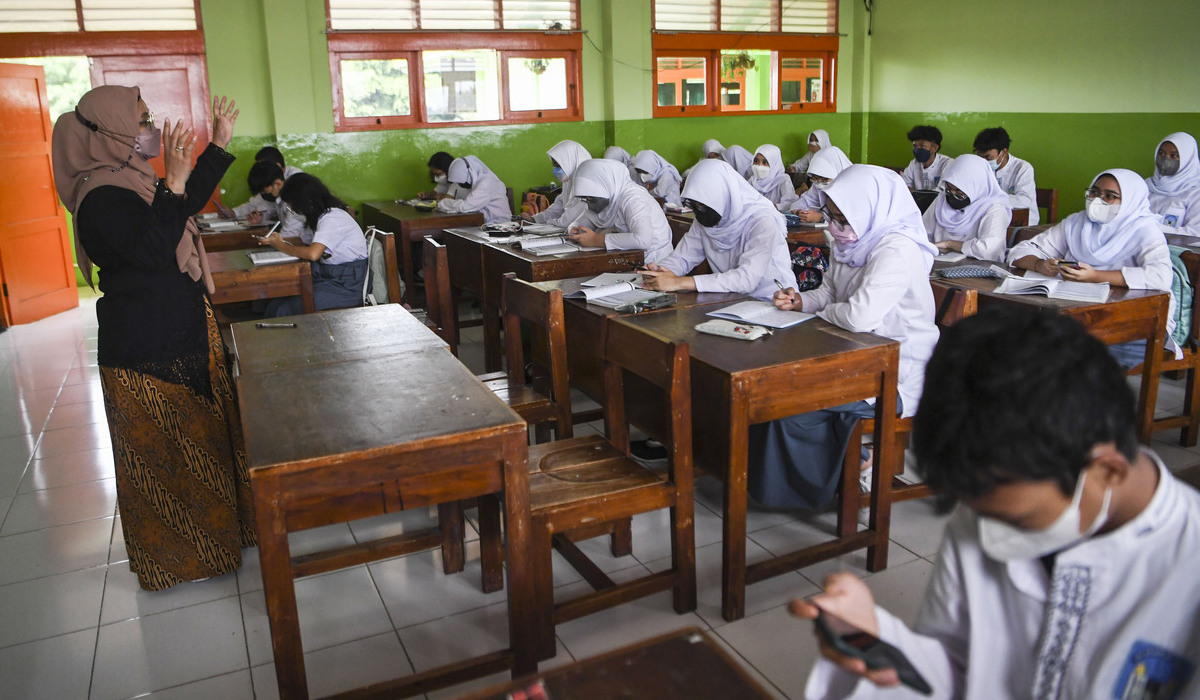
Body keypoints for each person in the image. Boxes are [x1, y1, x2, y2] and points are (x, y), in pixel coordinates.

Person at [794, 305, 1200, 700]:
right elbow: (957, 667)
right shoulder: (988, 509)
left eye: (1018, 520)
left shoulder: (1187, 567)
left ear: (1107, 472)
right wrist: (879, 638)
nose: (990, 535)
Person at [50, 86, 255, 591]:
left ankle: (221, 538)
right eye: (141, 121)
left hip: (178, 325)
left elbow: (176, 212)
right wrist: (175, 184)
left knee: (203, 436)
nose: (151, 129)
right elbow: (149, 249)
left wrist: (217, 148)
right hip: (146, 345)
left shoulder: (133, 178)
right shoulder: (99, 197)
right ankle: (177, 560)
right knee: (166, 454)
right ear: (109, 134)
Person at [755, 165, 939, 508]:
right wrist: (799, 302)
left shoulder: (896, 250)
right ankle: (841, 465)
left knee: (793, 403)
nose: (836, 227)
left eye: (844, 218)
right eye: (833, 217)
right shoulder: (853, 240)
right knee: (775, 388)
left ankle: (834, 475)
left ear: (870, 210)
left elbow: (857, 315)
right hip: (852, 354)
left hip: (897, 373)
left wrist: (823, 312)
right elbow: (828, 294)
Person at [1007, 169, 1176, 368]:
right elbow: (1021, 251)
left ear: (1130, 200)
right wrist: (1039, 264)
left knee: (1072, 357)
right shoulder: (1077, 222)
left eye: (1110, 196)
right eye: (1094, 192)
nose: (1098, 200)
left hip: (1134, 319)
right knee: (1023, 342)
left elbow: (1160, 276)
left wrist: (1095, 276)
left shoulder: (1144, 230)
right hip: (1078, 312)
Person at [640, 159, 793, 300]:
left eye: (701, 206)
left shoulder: (762, 221)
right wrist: (660, 271)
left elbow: (746, 279)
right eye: (694, 206)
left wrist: (678, 282)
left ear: (722, 195)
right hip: (734, 300)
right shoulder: (706, 217)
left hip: (774, 302)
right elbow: (683, 257)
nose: (698, 211)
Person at [257, 173, 369, 316]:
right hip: (330, 277)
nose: (292, 209)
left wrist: (280, 245)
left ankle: (293, 338)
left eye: (292, 204)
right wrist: (278, 240)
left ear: (304, 201)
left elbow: (313, 253)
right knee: (276, 302)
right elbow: (304, 241)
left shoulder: (332, 218)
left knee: (286, 309)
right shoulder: (319, 216)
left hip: (347, 286)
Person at [565, 159, 674, 264]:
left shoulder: (633, 199)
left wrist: (596, 239)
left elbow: (643, 240)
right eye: (584, 198)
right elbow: (581, 223)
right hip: (628, 258)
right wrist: (573, 230)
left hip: (655, 261)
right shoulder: (609, 197)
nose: (587, 202)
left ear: (606, 187)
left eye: (590, 198)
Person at [921, 154, 1012, 262]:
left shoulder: (994, 209)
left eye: (959, 191)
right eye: (949, 189)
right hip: (938, 264)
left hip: (979, 271)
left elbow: (989, 250)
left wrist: (950, 244)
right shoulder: (941, 201)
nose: (952, 195)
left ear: (977, 187)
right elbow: (921, 233)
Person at [973, 126, 1039, 224]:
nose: (985, 162)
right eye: (981, 158)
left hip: (1022, 224)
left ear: (1004, 152)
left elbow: (1025, 200)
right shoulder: (980, 168)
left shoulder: (1022, 168)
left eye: (988, 157)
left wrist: (991, 199)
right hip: (994, 220)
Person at [522, 139, 590, 227]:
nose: (555, 170)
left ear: (570, 162)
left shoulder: (585, 185)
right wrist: (535, 219)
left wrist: (539, 225)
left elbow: (567, 222)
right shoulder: (569, 181)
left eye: (558, 166)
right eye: (554, 166)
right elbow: (558, 207)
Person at [1145, 131, 1200, 236]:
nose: (1166, 159)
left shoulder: (1195, 193)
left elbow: (1195, 234)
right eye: (1161, 153)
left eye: (1174, 156)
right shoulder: (1145, 186)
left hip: (1178, 251)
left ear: (1187, 160)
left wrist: (1152, 230)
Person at [230, 145, 303, 221]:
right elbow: (266, 204)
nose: (260, 171)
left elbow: (296, 219)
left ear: (277, 165)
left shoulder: (296, 180)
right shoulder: (270, 185)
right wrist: (260, 215)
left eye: (264, 167)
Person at [241, 160, 307, 240]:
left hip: (310, 247)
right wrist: (259, 219)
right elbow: (266, 209)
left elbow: (289, 235)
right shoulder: (277, 196)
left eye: (264, 192)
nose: (263, 195)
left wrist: (271, 241)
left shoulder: (296, 199)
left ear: (278, 184)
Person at [436, 155, 512, 222]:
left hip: (498, 224)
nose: (462, 185)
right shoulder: (477, 180)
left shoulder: (486, 182)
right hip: (483, 222)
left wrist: (442, 203)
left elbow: (465, 207)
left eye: (463, 183)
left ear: (471, 173)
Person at [791, 146, 853, 221]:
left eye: (824, 179)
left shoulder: (852, 187)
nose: (819, 183)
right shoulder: (817, 185)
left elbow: (853, 217)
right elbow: (805, 200)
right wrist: (799, 211)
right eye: (815, 178)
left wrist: (821, 217)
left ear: (837, 172)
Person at [749, 144, 800, 212]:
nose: (759, 165)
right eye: (756, 161)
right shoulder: (752, 180)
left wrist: (774, 207)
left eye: (765, 162)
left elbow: (790, 203)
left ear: (774, 164)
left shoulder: (783, 180)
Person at [901, 125, 950, 191]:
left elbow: (943, 191)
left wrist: (915, 192)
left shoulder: (947, 164)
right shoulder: (913, 164)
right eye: (915, 146)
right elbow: (905, 187)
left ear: (934, 148)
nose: (917, 149)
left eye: (922, 146)